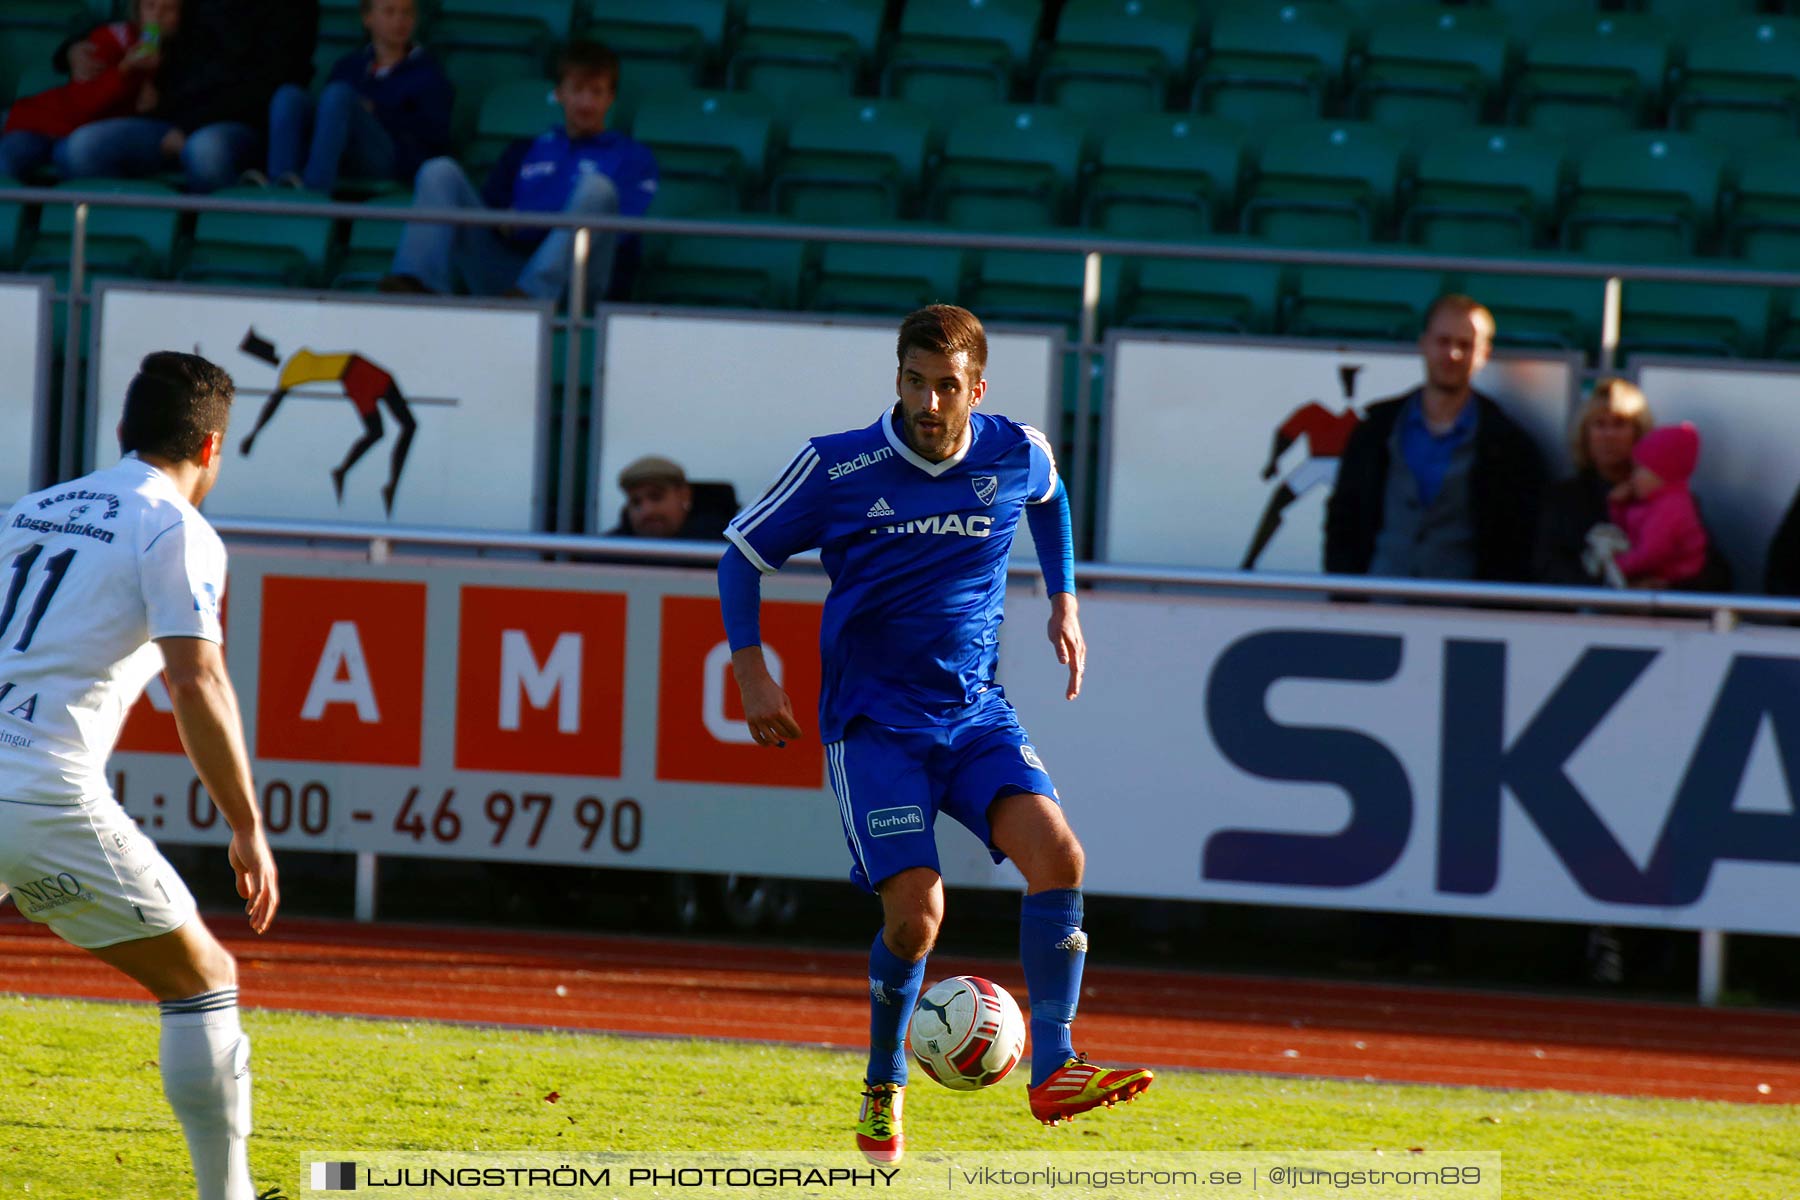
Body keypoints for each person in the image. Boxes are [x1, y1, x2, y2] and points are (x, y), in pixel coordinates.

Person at [715, 305, 1153, 1165]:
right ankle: (884, 1087)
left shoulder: (1012, 449)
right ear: (900, 379)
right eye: (914, 381)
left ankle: (1055, 1064)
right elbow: (741, 554)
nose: (927, 400)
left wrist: (1063, 596)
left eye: (945, 386)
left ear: (975, 389)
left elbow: (1052, 497)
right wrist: (751, 668)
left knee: (1060, 858)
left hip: (975, 712)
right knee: (918, 919)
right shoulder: (839, 465)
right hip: (873, 727)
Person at [0, 351, 279, 1200]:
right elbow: (196, 679)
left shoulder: (28, 510)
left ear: (122, 431)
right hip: (37, 786)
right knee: (202, 980)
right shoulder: (174, 527)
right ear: (213, 444)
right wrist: (246, 825)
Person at [379, 40, 657, 305]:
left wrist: (528, 218)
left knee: (597, 189)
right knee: (439, 171)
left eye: (596, 92)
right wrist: (521, 221)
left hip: (580, 281)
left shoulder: (634, 157)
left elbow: (619, 232)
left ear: (611, 98)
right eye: (578, 89)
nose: (586, 102)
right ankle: (417, 285)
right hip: (508, 278)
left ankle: (534, 294)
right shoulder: (524, 150)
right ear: (559, 93)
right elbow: (494, 220)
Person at [1324, 294, 1546, 582]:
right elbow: (1344, 518)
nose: (1452, 354)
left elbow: (1520, 540)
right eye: (1443, 341)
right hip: (1377, 610)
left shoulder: (1509, 446)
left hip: (1463, 616)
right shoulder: (1375, 430)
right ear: (1423, 344)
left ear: (1484, 355)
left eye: (1465, 345)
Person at [55, 0, 318, 193]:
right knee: (82, 148)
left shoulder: (291, 8)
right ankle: (146, 238)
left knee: (205, 151)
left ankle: (213, 241)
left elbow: (274, 84)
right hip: (171, 120)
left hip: (242, 127)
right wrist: (73, 47)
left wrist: (189, 126)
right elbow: (140, 16)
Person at [262, 0, 451, 192]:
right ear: (367, 18)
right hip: (343, 155)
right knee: (289, 96)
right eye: (389, 12)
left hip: (392, 159)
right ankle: (280, 186)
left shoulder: (429, 73)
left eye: (407, 13)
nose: (399, 21)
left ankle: (314, 191)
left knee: (339, 95)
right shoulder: (349, 67)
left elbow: (433, 136)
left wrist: (375, 111)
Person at [234, 329, 417, 515]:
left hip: (354, 374)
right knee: (402, 427)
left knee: (381, 431)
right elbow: (272, 406)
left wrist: (253, 435)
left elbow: (272, 405)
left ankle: (346, 472)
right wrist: (253, 435)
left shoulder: (292, 366)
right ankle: (379, 482)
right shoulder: (292, 368)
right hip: (356, 371)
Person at [0, 0, 179, 181]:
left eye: (169, 9)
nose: (157, 16)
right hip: (46, 122)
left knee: (76, 151)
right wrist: (124, 70)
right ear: (137, 9)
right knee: (10, 157)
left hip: (86, 136)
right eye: (150, 6)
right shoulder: (111, 37)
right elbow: (84, 103)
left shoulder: (186, 51)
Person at [1533, 378, 1655, 586]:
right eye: (1599, 424)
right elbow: (1546, 567)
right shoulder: (1563, 500)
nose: (1609, 435)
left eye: (1620, 424)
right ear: (1585, 434)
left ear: (1639, 433)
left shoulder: (1665, 497)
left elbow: (1708, 573)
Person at [1608, 421, 1708, 589]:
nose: (1633, 477)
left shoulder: (1670, 508)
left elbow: (1652, 552)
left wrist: (1617, 567)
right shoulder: (1652, 504)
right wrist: (1617, 507)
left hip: (1673, 580)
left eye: (1639, 470)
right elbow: (1630, 532)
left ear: (1660, 474)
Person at [605, 455, 732, 540]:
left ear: (684, 495)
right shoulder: (607, 552)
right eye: (636, 502)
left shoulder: (720, 548)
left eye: (656, 497)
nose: (647, 511)